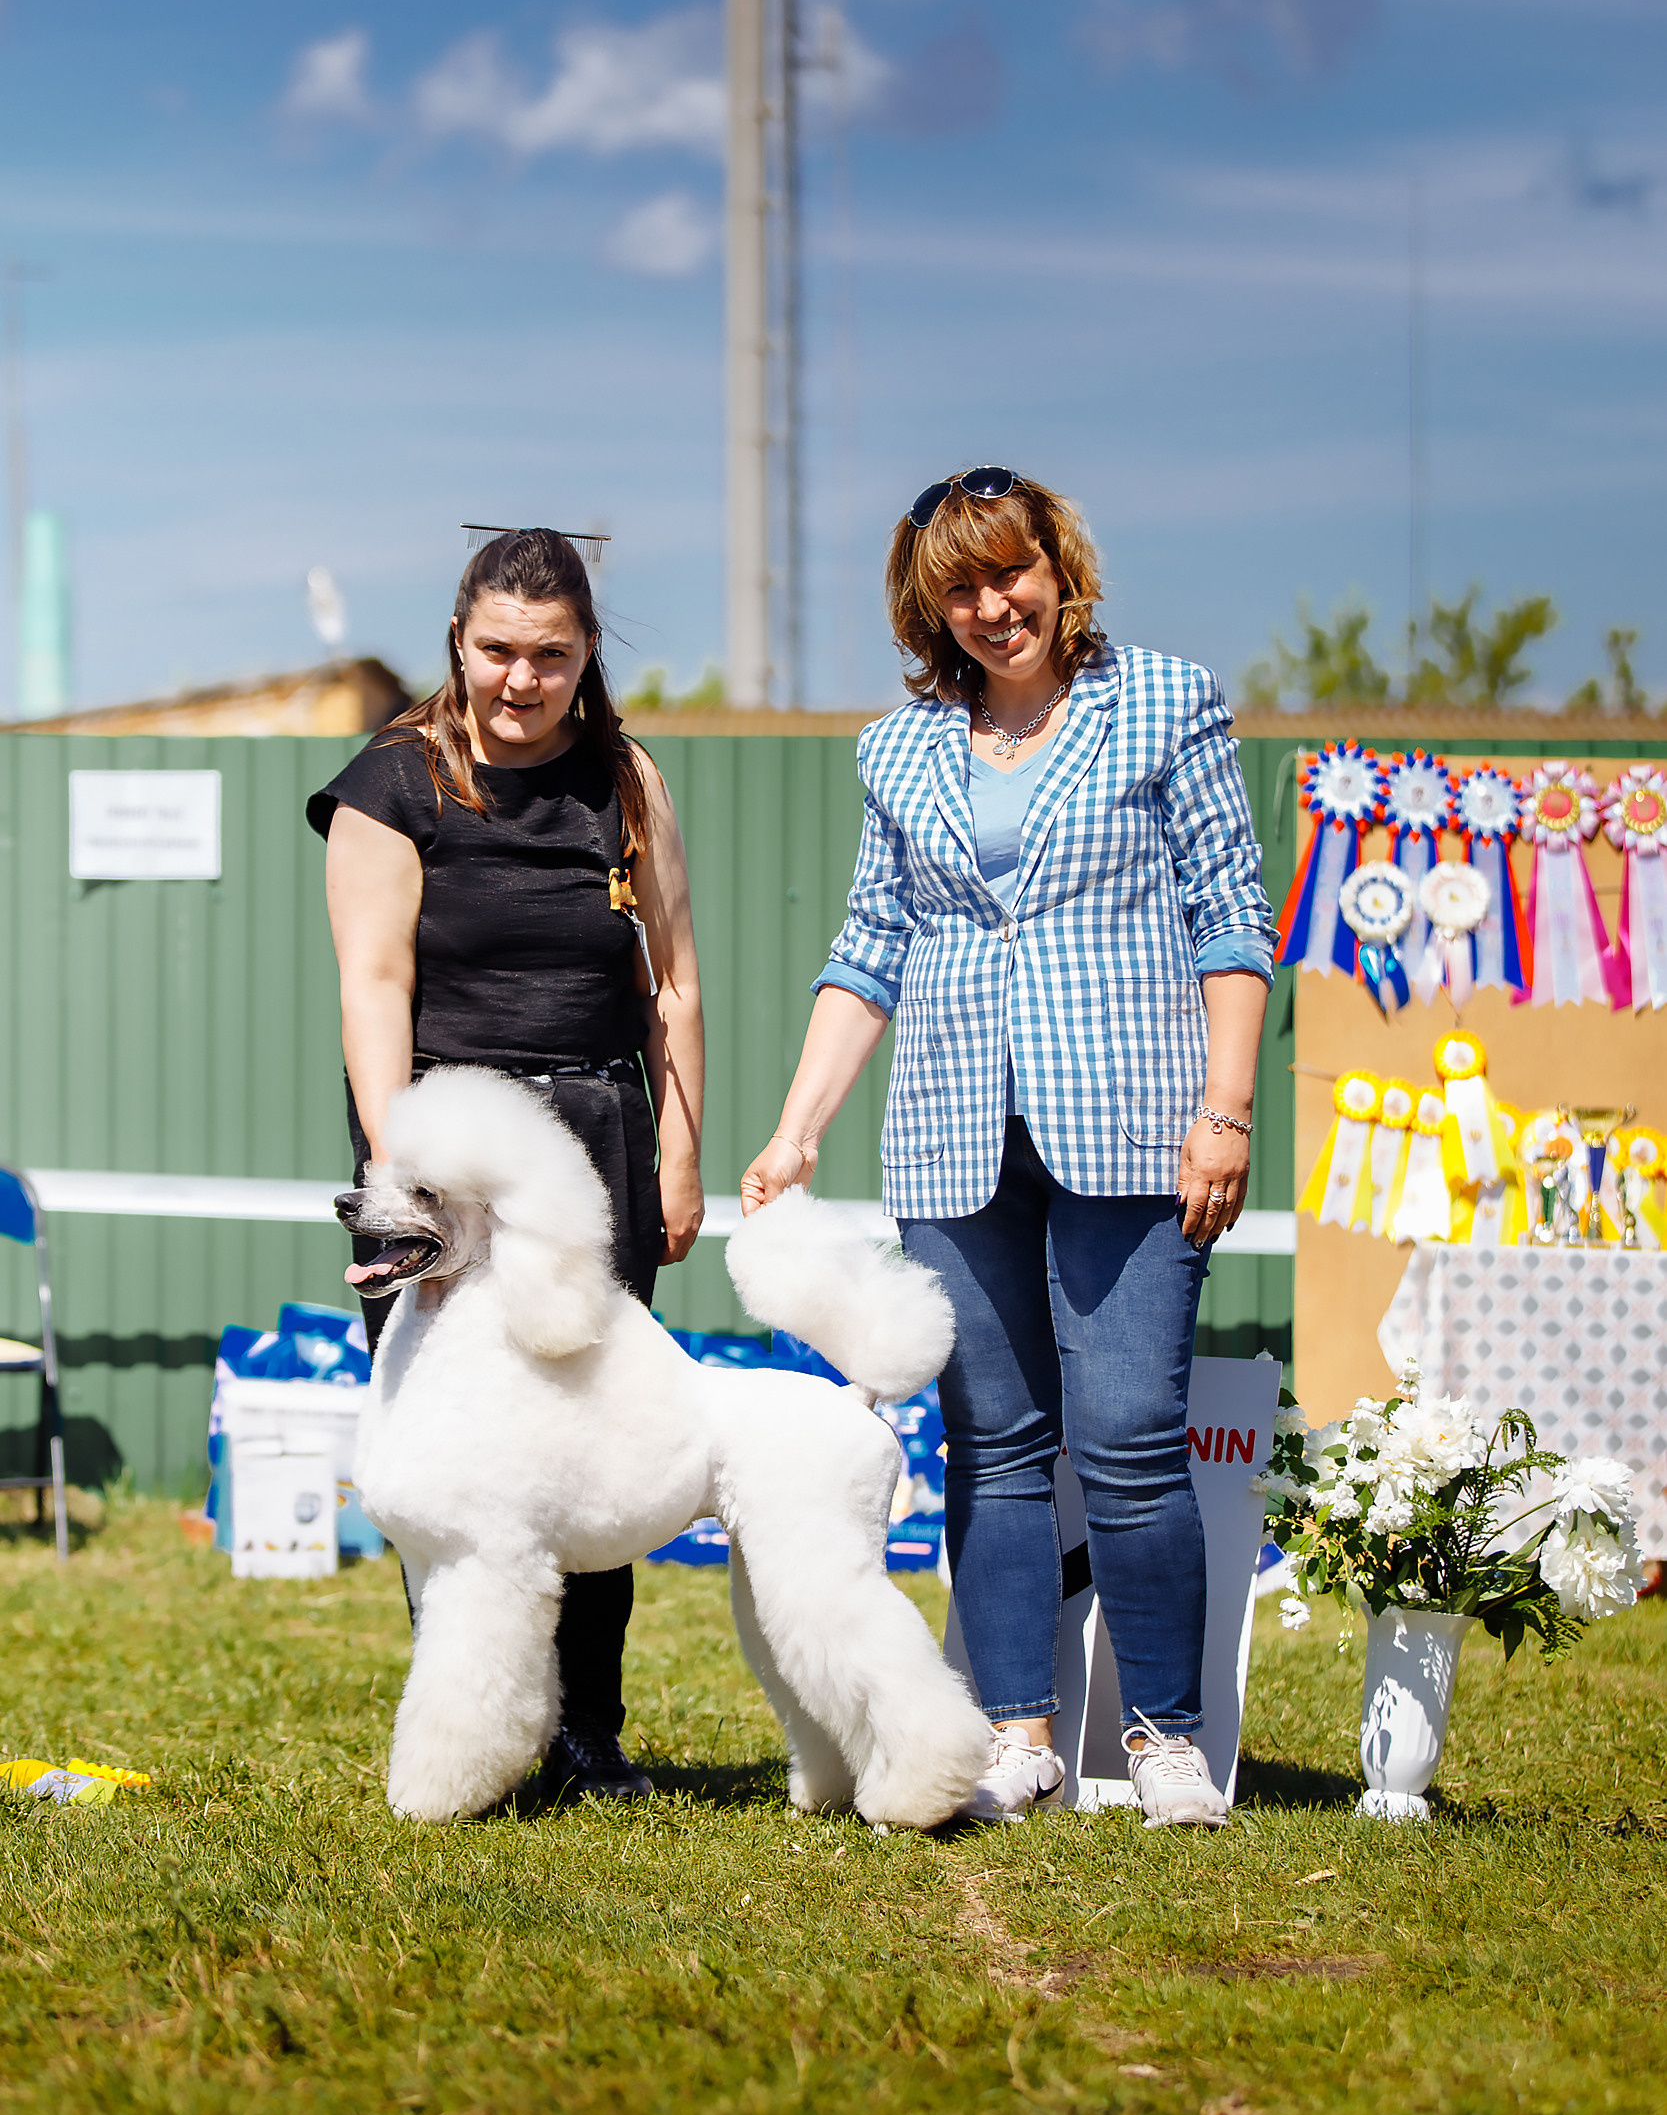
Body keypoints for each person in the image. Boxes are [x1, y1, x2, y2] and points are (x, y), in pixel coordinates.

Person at [741, 467, 1274, 1829]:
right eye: (958, 589)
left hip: (1134, 1128)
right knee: (989, 1446)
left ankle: (1164, 1738)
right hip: (949, 1136)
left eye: (1009, 572)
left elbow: (1229, 917)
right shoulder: (894, 750)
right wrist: (795, 1132)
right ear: (928, 611)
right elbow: (868, 947)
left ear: (1057, 567)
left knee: (1130, 1440)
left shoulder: (1165, 702)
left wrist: (1223, 1112)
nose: (991, 606)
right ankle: (1013, 1730)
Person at [307, 526, 704, 1800]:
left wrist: (681, 1154)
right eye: (496, 651)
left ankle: (587, 1733)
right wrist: (403, 1178)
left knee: (591, 1434)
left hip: (595, 1142)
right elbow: (375, 986)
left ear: (586, 654)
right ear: (458, 642)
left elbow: (672, 986)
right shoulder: (388, 784)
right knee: (451, 1452)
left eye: (549, 654)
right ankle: (473, 1734)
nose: (520, 678)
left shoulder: (626, 779)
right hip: (449, 1155)